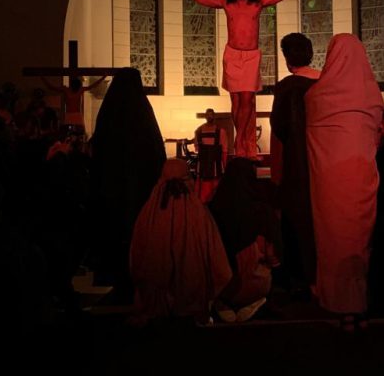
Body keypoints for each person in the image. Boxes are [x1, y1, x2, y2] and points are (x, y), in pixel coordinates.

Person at [178, 0, 312, 159]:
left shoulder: (258, 3)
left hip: (251, 56)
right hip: (232, 55)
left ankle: (239, 137)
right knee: (236, 100)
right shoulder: (227, 3)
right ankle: (240, 139)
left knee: (247, 99)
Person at [304, 34, 384, 329]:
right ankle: (358, 301)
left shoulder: (316, 95)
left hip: (328, 181)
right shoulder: (371, 94)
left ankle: (336, 300)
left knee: (332, 236)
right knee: (359, 237)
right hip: (360, 175)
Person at [88, 68, 165, 299]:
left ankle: (119, 282)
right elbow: (156, 154)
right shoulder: (143, 115)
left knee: (116, 234)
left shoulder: (109, 115)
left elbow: (99, 150)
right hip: (140, 192)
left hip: (113, 191)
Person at [128, 159, 232, 326]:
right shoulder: (197, 210)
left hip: (156, 304)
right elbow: (215, 254)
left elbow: (137, 252)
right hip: (191, 301)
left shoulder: (150, 211)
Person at [269, 32, 320, 295]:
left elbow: (280, 127)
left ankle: (299, 278)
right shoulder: (325, 81)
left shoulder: (287, 87)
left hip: (297, 162)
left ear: (287, 58)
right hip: (324, 160)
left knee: (298, 218)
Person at [209, 158, 281, 322]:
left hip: (222, 288)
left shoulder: (212, 211)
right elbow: (275, 258)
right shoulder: (263, 213)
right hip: (256, 287)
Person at [40, 74, 107, 135]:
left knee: (78, 133)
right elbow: (51, 87)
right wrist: (42, 78)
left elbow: (93, 86)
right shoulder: (70, 89)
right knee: (71, 133)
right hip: (71, 115)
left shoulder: (73, 90)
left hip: (74, 114)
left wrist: (103, 78)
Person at [192, 108, 227, 202]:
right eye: (208, 115)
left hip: (215, 165)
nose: (210, 117)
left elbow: (224, 151)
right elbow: (197, 149)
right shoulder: (198, 131)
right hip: (204, 166)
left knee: (214, 186)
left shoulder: (221, 131)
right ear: (205, 116)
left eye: (211, 115)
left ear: (214, 116)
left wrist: (225, 165)